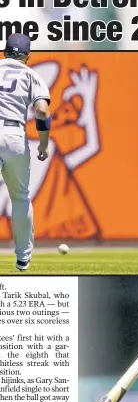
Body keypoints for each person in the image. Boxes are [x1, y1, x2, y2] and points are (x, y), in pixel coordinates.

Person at [0, 33, 51, 270]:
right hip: (15, 136)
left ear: (5, 51)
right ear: (28, 55)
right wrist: (42, 144)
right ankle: (23, 258)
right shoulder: (32, 75)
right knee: (19, 197)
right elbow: (42, 111)